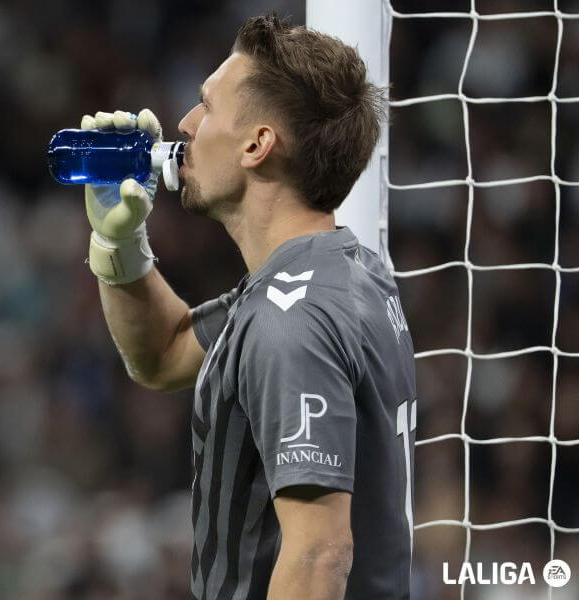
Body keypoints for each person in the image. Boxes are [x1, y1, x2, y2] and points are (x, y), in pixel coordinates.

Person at [79, 14, 417, 600]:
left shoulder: (292, 322)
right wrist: (120, 244)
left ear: (258, 145)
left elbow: (319, 554)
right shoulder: (339, 273)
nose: (184, 124)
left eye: (206, 107)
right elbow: (163, 355)